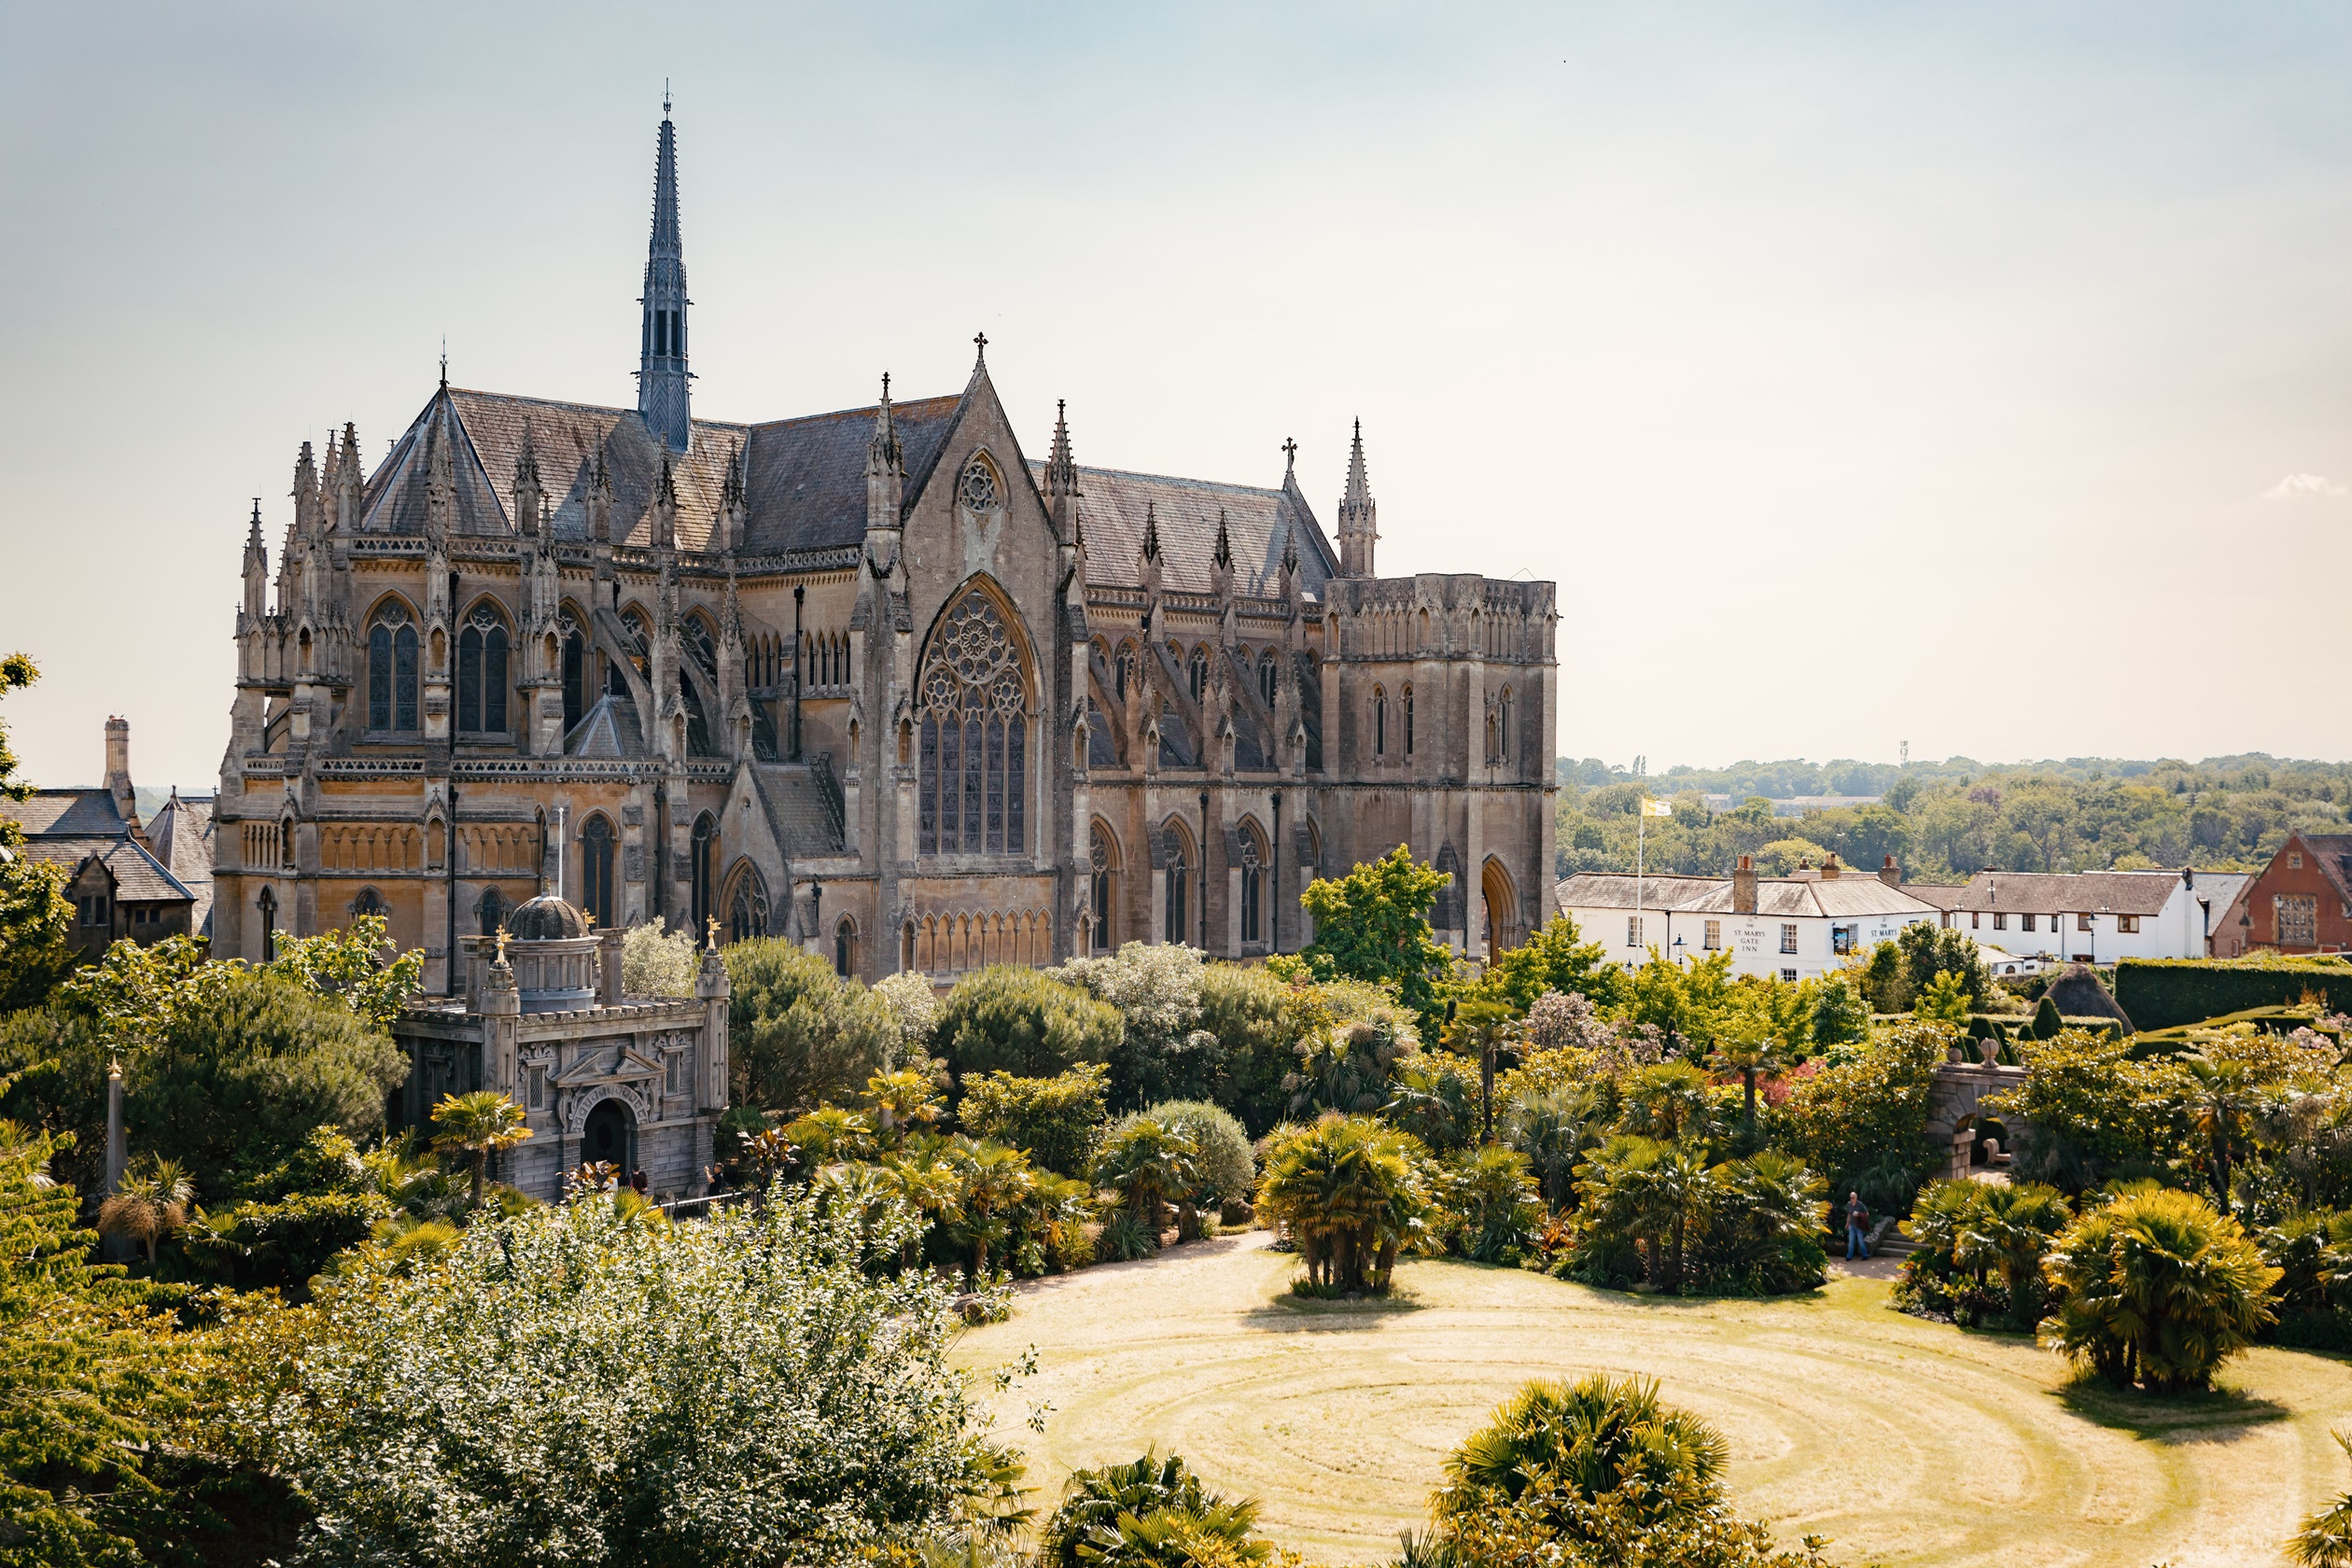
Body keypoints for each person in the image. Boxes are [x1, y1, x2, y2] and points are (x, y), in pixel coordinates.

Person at [1845, 1191, 1871, 1259]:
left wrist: (1859, 1214)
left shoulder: (1860, 1204)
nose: (1851, 1199)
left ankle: (1865, 1255)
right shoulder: (1849, 1204)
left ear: (1856, 1198)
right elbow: (1849, 1214)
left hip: (1859, 1225)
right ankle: (1849, 1256)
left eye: (1853, 1198)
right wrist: (1847, 1223)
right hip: (1851, 1225)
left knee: (1860, 1241)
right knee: (1851, 1241)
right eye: (1851, 1198)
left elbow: (1867, 1214)